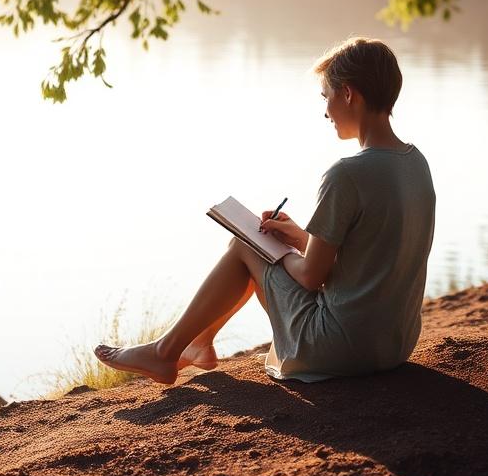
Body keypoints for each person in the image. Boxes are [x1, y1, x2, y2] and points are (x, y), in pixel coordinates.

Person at [94, 37, 437, 384]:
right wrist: (301, 237)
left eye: (326, 97)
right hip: (393, 345)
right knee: (259, 247)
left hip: (342, 349)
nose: (325, 111)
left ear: (348, 94)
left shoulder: (347, 173)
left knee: (245, 245)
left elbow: (310, 276)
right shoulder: (415, 163)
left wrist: (274, 250)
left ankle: (166, 352)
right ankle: (197, 343)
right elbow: (368, 258)